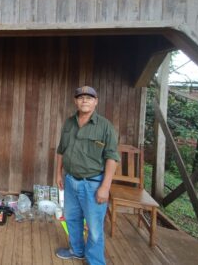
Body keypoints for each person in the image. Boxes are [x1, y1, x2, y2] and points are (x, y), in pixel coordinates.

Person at [55, 86, 119, 265]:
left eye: (89, 98)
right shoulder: (69, 123)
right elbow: (61, 150)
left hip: (93, 184)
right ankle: (76, 250)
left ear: (96, 102)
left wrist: (105, 187)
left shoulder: (105, 127)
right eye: (81, 97)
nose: (85, 100)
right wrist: (58, 174)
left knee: (95, 228)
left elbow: (112, 158)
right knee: (72, 218)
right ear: (75, 101)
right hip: (70, 180)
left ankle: (95, 261)